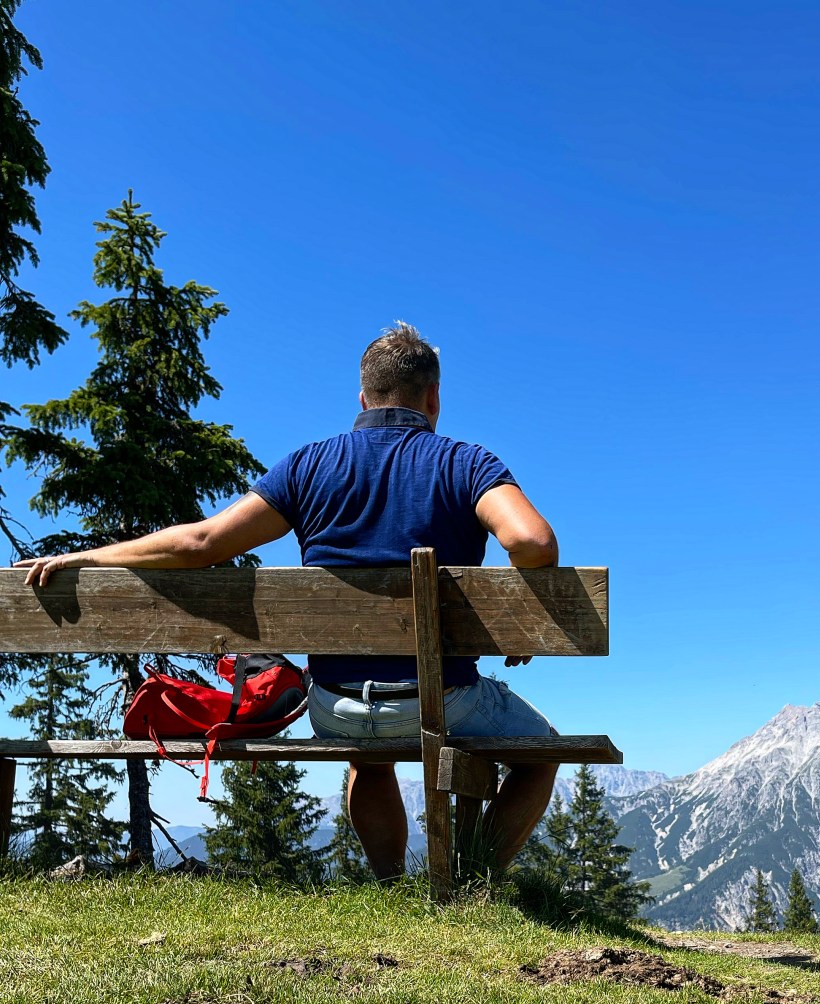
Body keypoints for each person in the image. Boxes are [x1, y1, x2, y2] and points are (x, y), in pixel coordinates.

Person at [18, 323, 561, 879]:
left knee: (366, 760)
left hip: (336, 704)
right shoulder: (465, 464)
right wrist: (512, 621)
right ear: (433, 398)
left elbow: (201, 543)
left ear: (363, 398)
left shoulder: (307, 467)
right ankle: (471, 882)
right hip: (446, 700)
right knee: (542, 752)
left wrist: (90, 557)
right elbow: (531, 542)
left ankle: (395, 886)